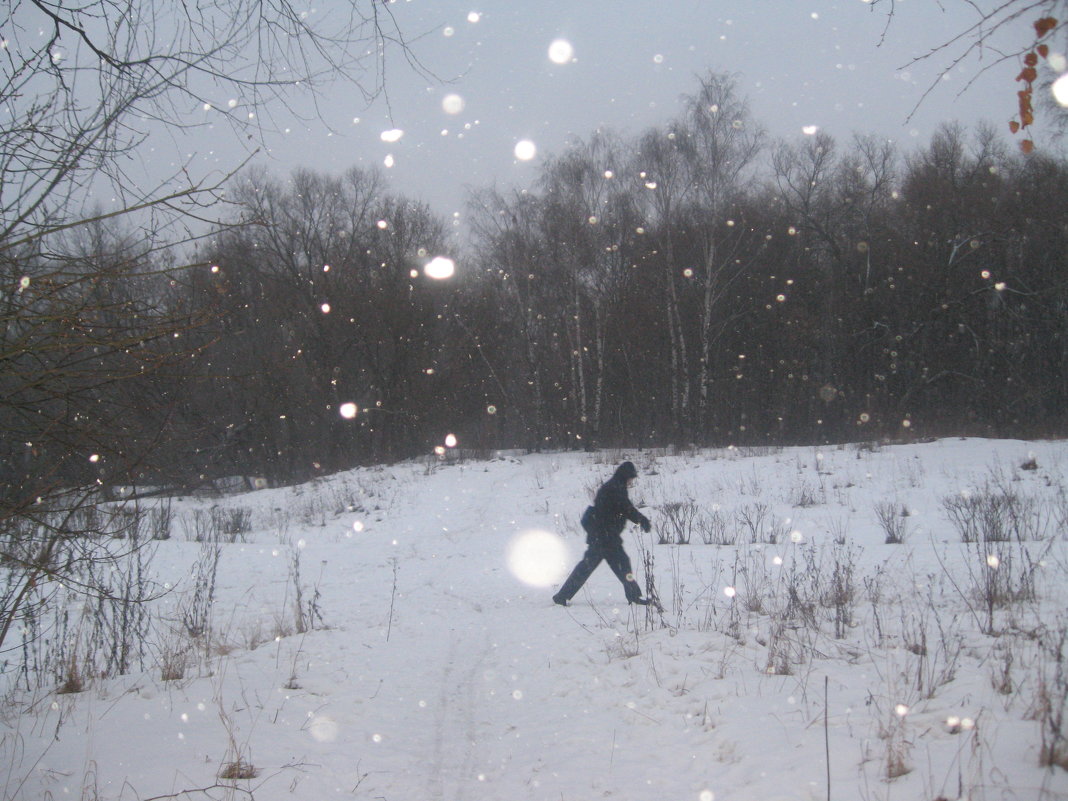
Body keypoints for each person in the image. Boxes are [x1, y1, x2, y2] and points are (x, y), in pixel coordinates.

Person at [553, 460, 652, 606]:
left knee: (603, 566)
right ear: (626, 476)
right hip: (605, 537)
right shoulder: (615, 488)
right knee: (616, 566)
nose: (632, 480)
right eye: (631, 477)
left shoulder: (614, 486)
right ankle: (634, 597)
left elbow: (623, 509)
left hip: (604, 536)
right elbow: (626, 508)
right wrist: (642, 521)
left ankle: (634, 596)